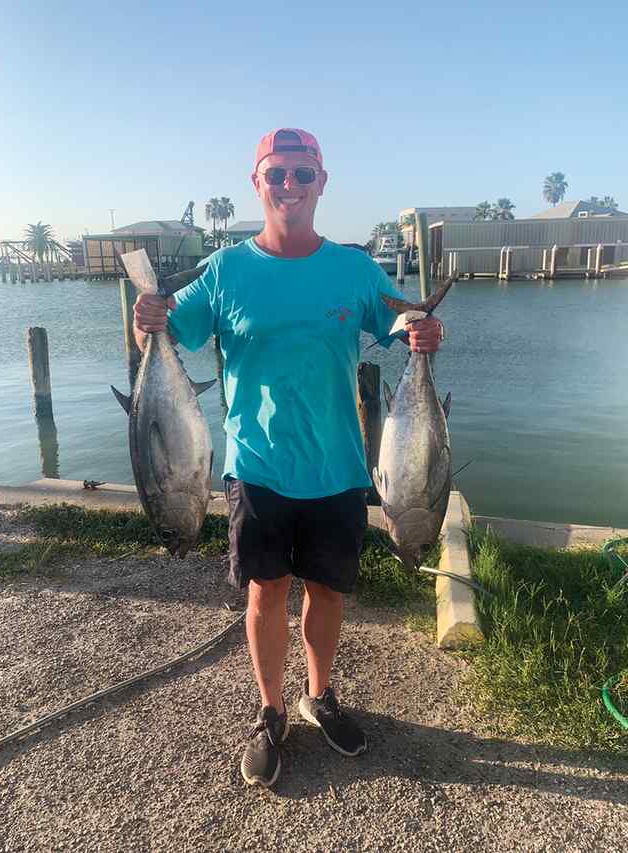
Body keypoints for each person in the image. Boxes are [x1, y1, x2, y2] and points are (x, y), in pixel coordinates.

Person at [133, 128, 443, 788]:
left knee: (328, 591)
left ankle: (319, 695)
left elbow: (398, 322)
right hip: (257, 465)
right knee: (266, 591)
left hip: (338, 466)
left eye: (303, 173)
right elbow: (166, 333)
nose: (289, 185)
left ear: (321, 182)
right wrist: (145, 319)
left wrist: (422, 329)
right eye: (276, 173)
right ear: (258, 183)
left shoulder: (354, 270)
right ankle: (271, 710)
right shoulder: (226, 270)